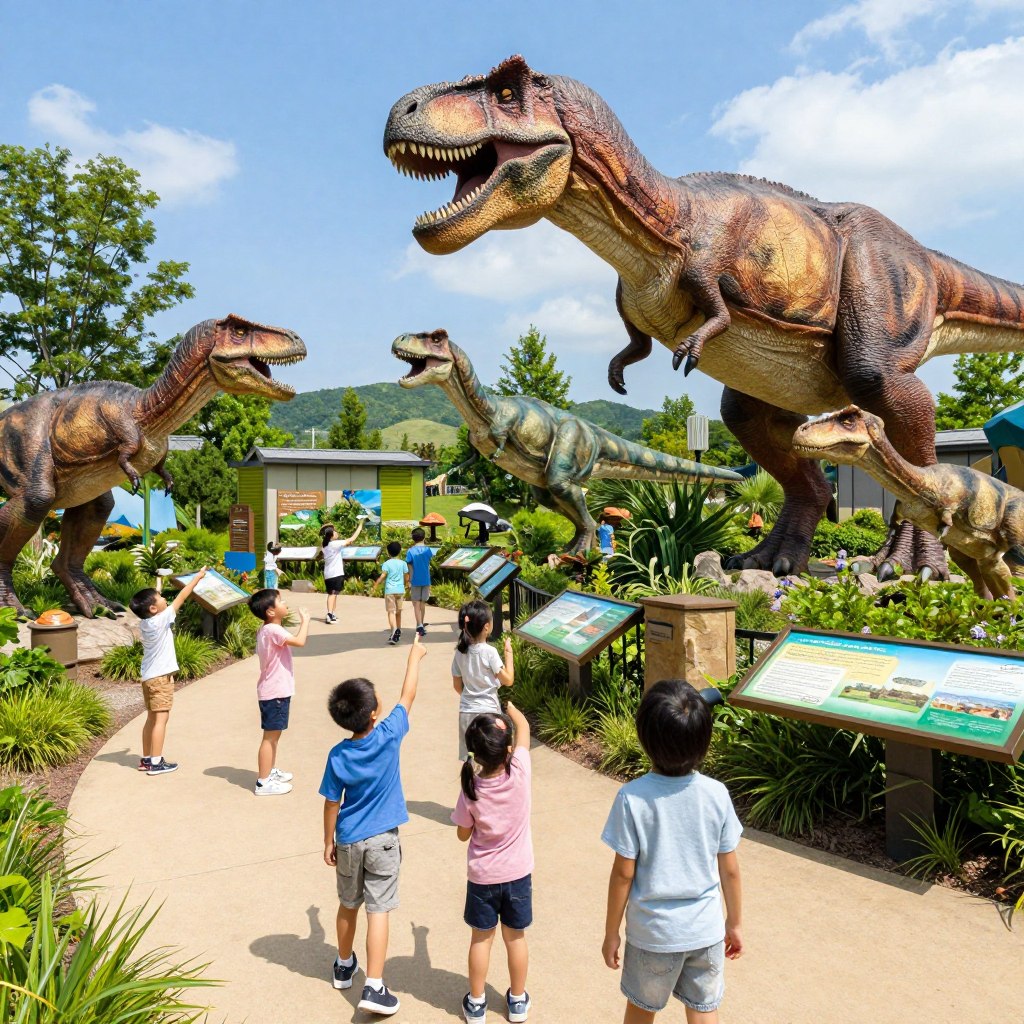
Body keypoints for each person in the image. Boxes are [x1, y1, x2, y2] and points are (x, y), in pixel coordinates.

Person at [601, 680, 743, 1024]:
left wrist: (611, 932)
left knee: (641, 1007)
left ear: (645, 738)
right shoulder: (716, 794)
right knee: (703, 1009)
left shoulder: (633, 798)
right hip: (704, 931)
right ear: (703, 740)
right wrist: (734, 922)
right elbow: (731, 870)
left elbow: (623, 874)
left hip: (654, 934)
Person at [320, 635, 428, 1017]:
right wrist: (415, 655)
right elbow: (408, 695)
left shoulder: (338, 754)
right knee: (378, 910)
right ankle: (376, 986)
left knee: (348, 903)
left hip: (348, 839)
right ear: (373, 714)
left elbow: (332, 803)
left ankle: (344, 963)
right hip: (383, 840)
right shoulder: (388, 734)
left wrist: (328, 841)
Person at [451, 702, 534, 1024]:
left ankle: (476, 1003)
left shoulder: (471, 788)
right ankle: (516, 1000)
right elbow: (524, 727)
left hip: (483, 877)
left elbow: (462, 834)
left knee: (481, 939)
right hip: (518, 875)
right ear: (508, 750)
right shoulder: (522, 770)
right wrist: (510, 709)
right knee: (515, 938)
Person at [129, 566, 209, 775]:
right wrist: (197, 578)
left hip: (148, 677)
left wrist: (158, 582)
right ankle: (156, 762)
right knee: (161, 720)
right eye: (160, 597)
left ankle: (147, 759)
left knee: (151, 718)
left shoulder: (147, 622)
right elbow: (182, 596)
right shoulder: (161, 619)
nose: (164, 598)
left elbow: (160, 601)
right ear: (154, 608)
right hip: (161, 679)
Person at [248, 588, 311, 796]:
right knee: (270, 737)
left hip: (273, 689)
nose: (285, 604)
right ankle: (263, 782)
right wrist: (305, 621)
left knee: (274, 736)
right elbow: (300, 642)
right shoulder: (274, 631)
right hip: (274, 691)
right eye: (280, 602)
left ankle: (269, 770)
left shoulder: (266, 629)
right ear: (270, 612)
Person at [452, 599, 514, 761]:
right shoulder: (489, 652)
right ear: (486, 626)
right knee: (491, 758)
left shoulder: (460, 652)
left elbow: (457, 686)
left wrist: (471, 694)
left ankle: (470, 785)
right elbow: (508, 680)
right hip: (488, 713)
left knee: (471, 758)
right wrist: (508, 654)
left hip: (466, 712)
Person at [319, 519, 365, 624]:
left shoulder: (325, 546)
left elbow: (320, 556)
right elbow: (351, 539)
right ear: (331, 535)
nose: (336, 532)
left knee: (333, 594)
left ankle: (332, 613)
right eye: (334, 531)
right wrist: (360, 526)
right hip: (335, 573)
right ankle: (329, 615)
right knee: (333, 594)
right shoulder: (334, 544)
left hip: (328, 574)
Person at [374, 541, 409, 645]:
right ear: (399, 551)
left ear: (388, 553)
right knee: (398, 612)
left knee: (390, 612)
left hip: (390, 590)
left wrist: (376, 584)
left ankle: (393, 631)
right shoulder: (403, 563)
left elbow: (383, 576)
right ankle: (398, 629)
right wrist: (406, 583)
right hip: (400, 590)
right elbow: (406, 575)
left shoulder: (387, 564)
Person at [405, 527, 434, 637]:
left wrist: (410, 580)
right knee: (422, 602)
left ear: (413, 538)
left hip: (415, 580)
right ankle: (421, 622)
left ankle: (419, 625)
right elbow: (428, 562)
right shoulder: (428, 550)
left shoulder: (410, 551)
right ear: (424, 537)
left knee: (416, 603)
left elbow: (409, 566)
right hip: (426, 579)